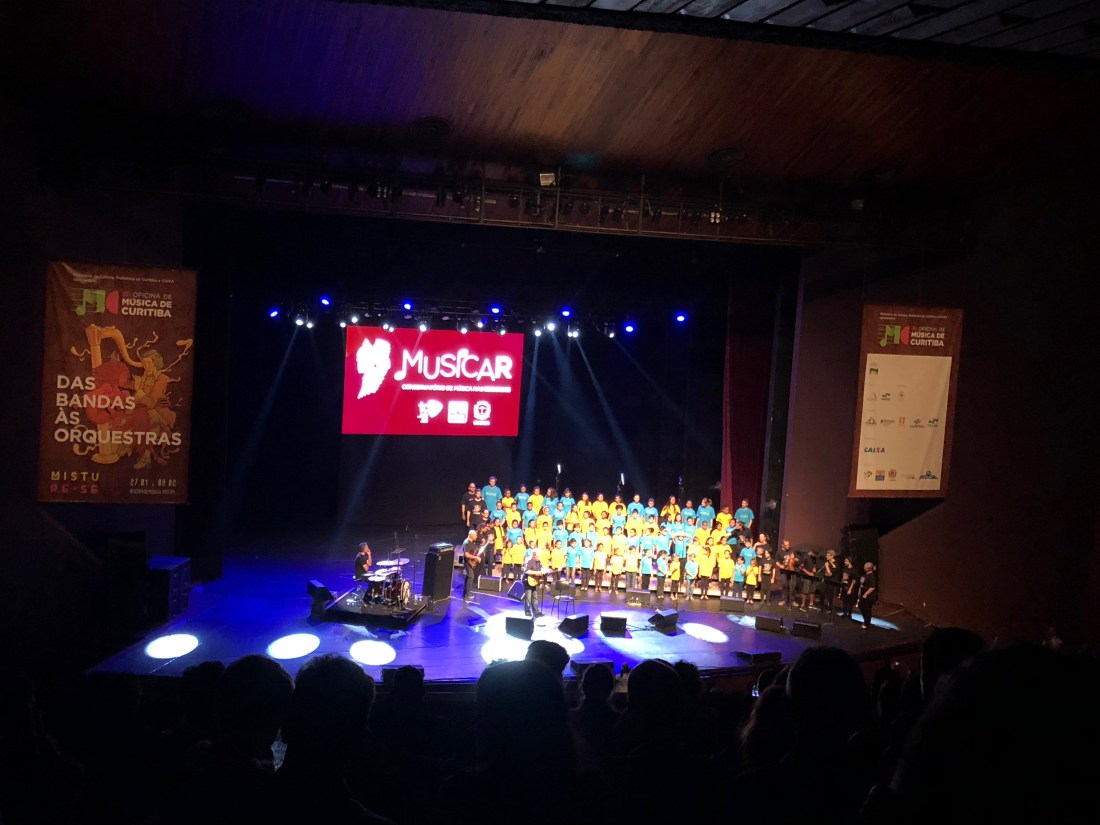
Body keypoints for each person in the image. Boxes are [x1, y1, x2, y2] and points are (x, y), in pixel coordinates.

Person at [460, 529, 484, 602]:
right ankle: (466, 597)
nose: (476, 536)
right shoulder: (466, 543)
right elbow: (466, 554)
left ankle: (466, 594)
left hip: (471, 562)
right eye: (475, 535)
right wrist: (476, 557)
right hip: (467, 563)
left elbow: (473, 550)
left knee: (468, 578)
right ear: (471, 536)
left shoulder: (471, 542)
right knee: (471, 577)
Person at [522, 548, 546, 617]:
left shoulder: (539, 562)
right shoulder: (530, 562)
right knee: (528, 597)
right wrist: (536, 572)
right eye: (538, 556)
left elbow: (540, 571)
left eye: (539, 556)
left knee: (535, 597)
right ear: (534, 555)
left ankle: (536, 612)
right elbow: (527, 571)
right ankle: (527, 612)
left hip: (533, 581)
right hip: (527, 581)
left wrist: (543, 573)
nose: (539, 557)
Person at [858, 561, 878, 628]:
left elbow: (873, 587)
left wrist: (866, 594)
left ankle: (867, 623)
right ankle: (865, 620)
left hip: (869, 596)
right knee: (861, 606)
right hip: (863, 595)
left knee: (867, 609)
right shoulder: (866, 575)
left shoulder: (872, 576)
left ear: (869, 568)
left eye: (865, 567)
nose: (864, 568)